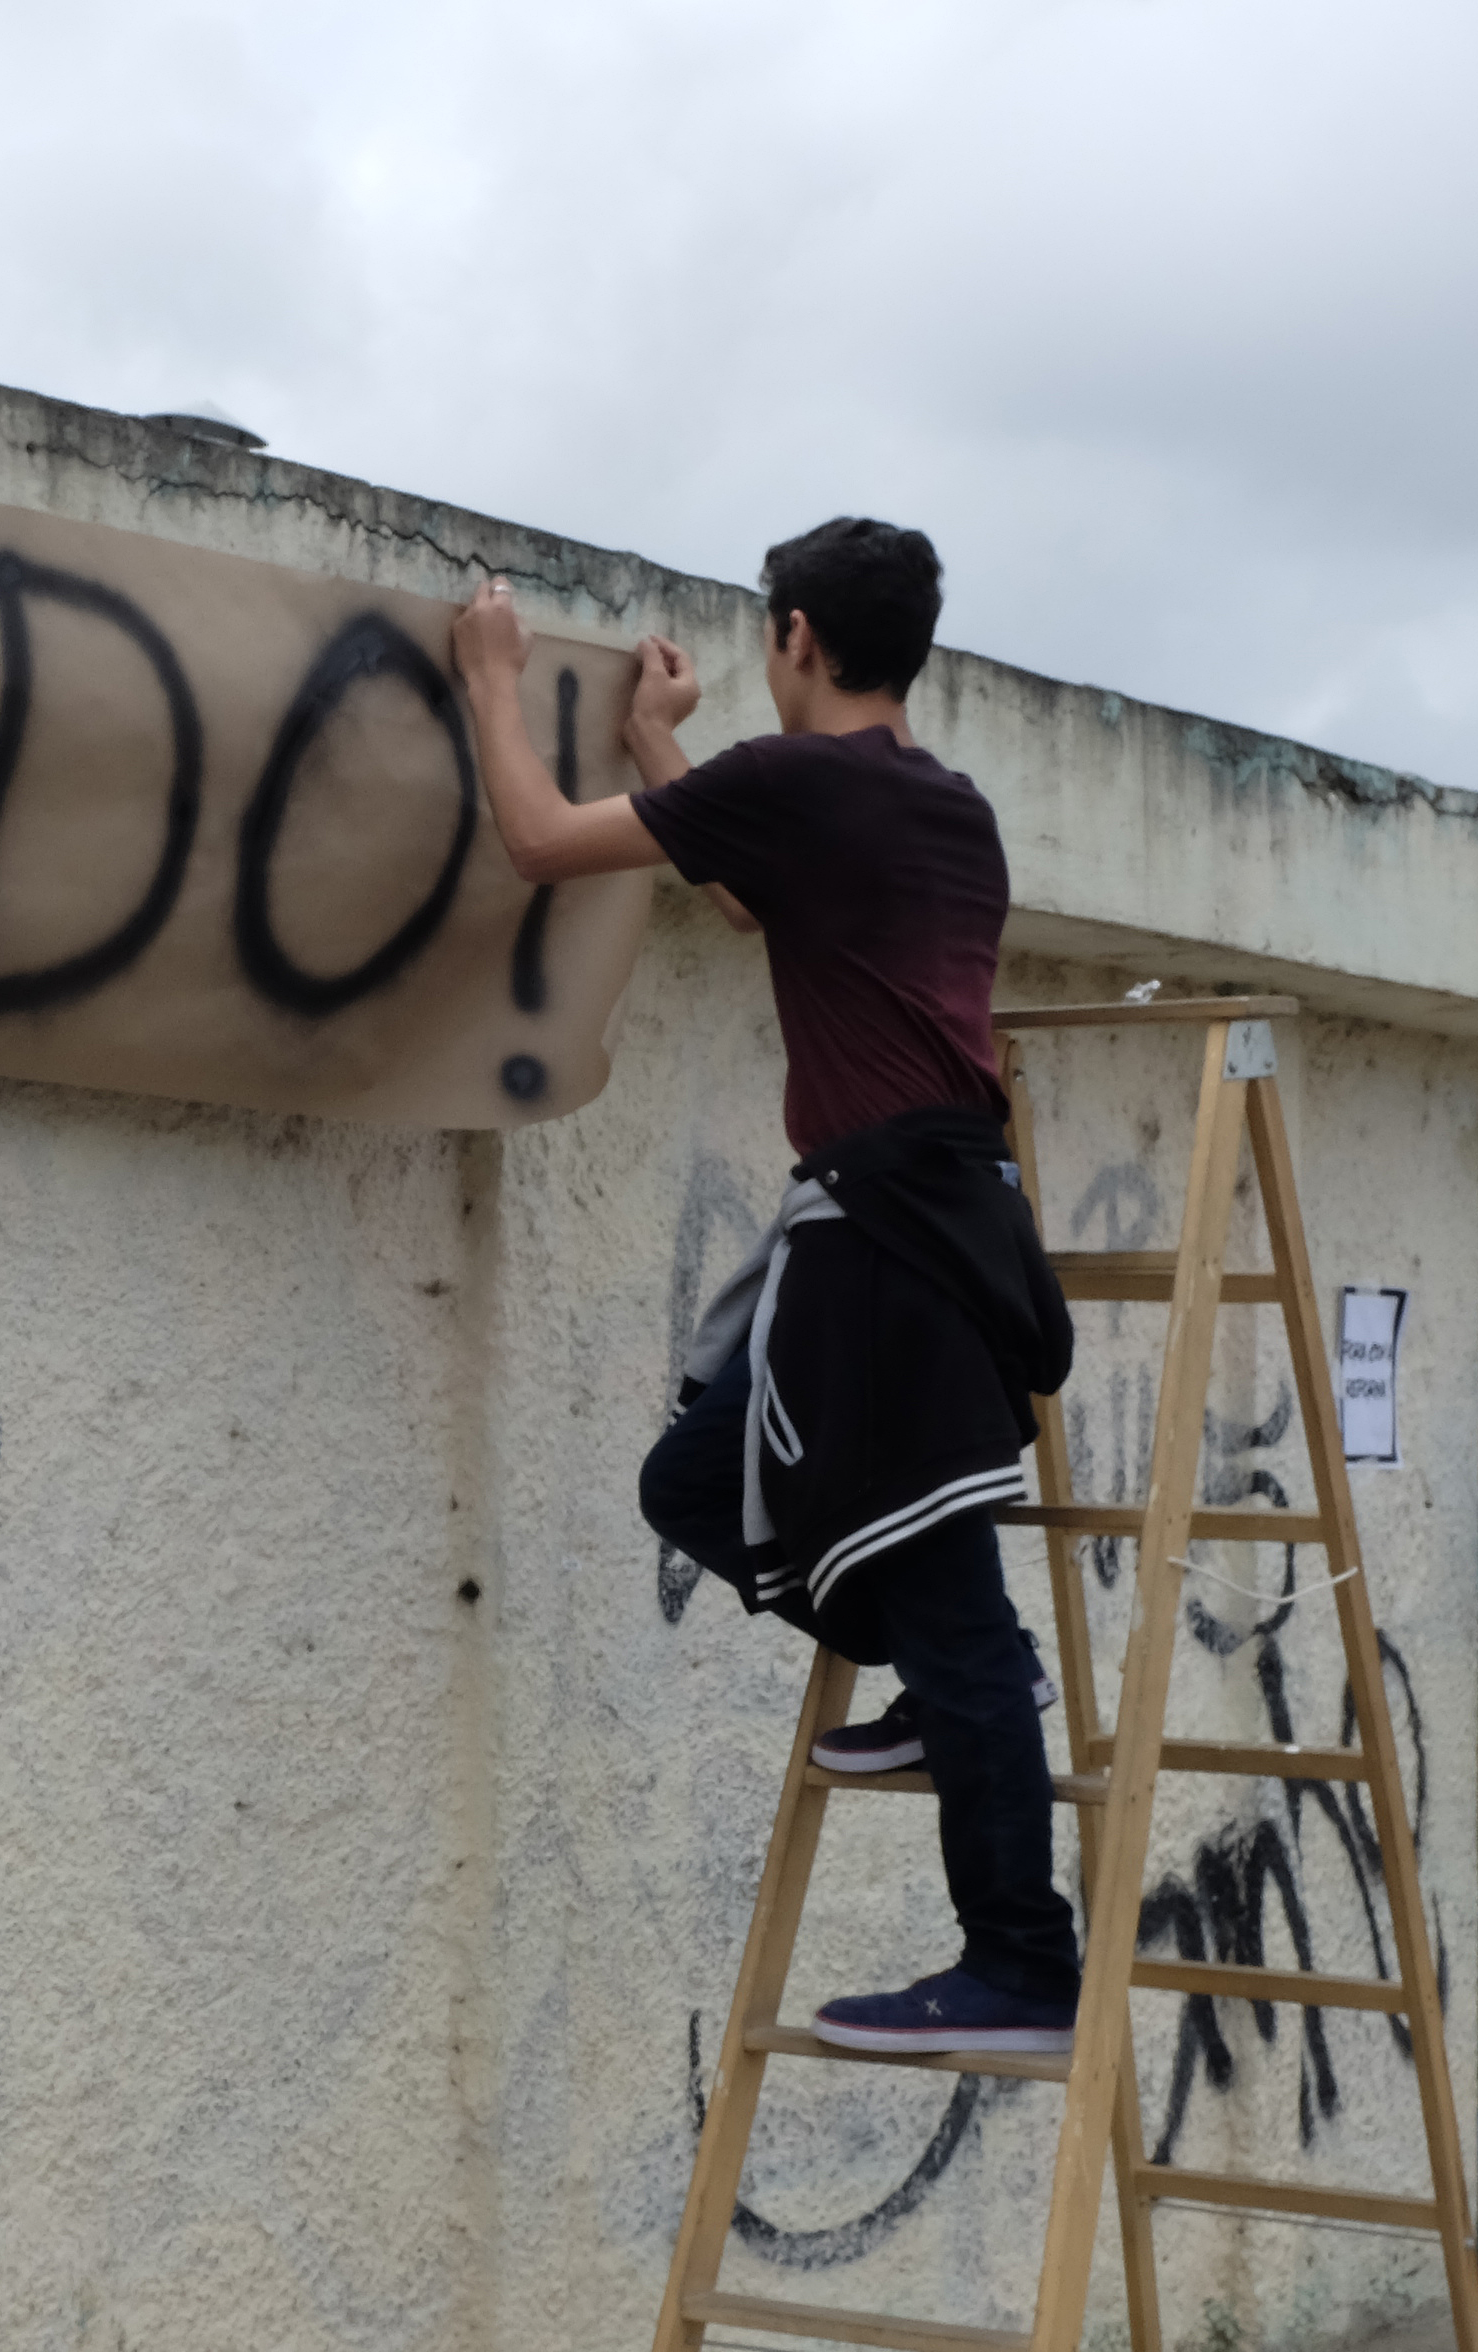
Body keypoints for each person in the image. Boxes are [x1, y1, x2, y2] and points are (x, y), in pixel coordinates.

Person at [451, 518, 1080, 2054]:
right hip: (948, 1216)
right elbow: (748, 899)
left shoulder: (801, 785)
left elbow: (536, 839)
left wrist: (488, 676)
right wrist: (664, 742)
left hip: (889, 1244)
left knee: (955, 1601)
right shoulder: (951, 809)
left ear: (794, 636)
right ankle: (947, 1681)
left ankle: (1020, 1965)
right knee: (692, 1478)